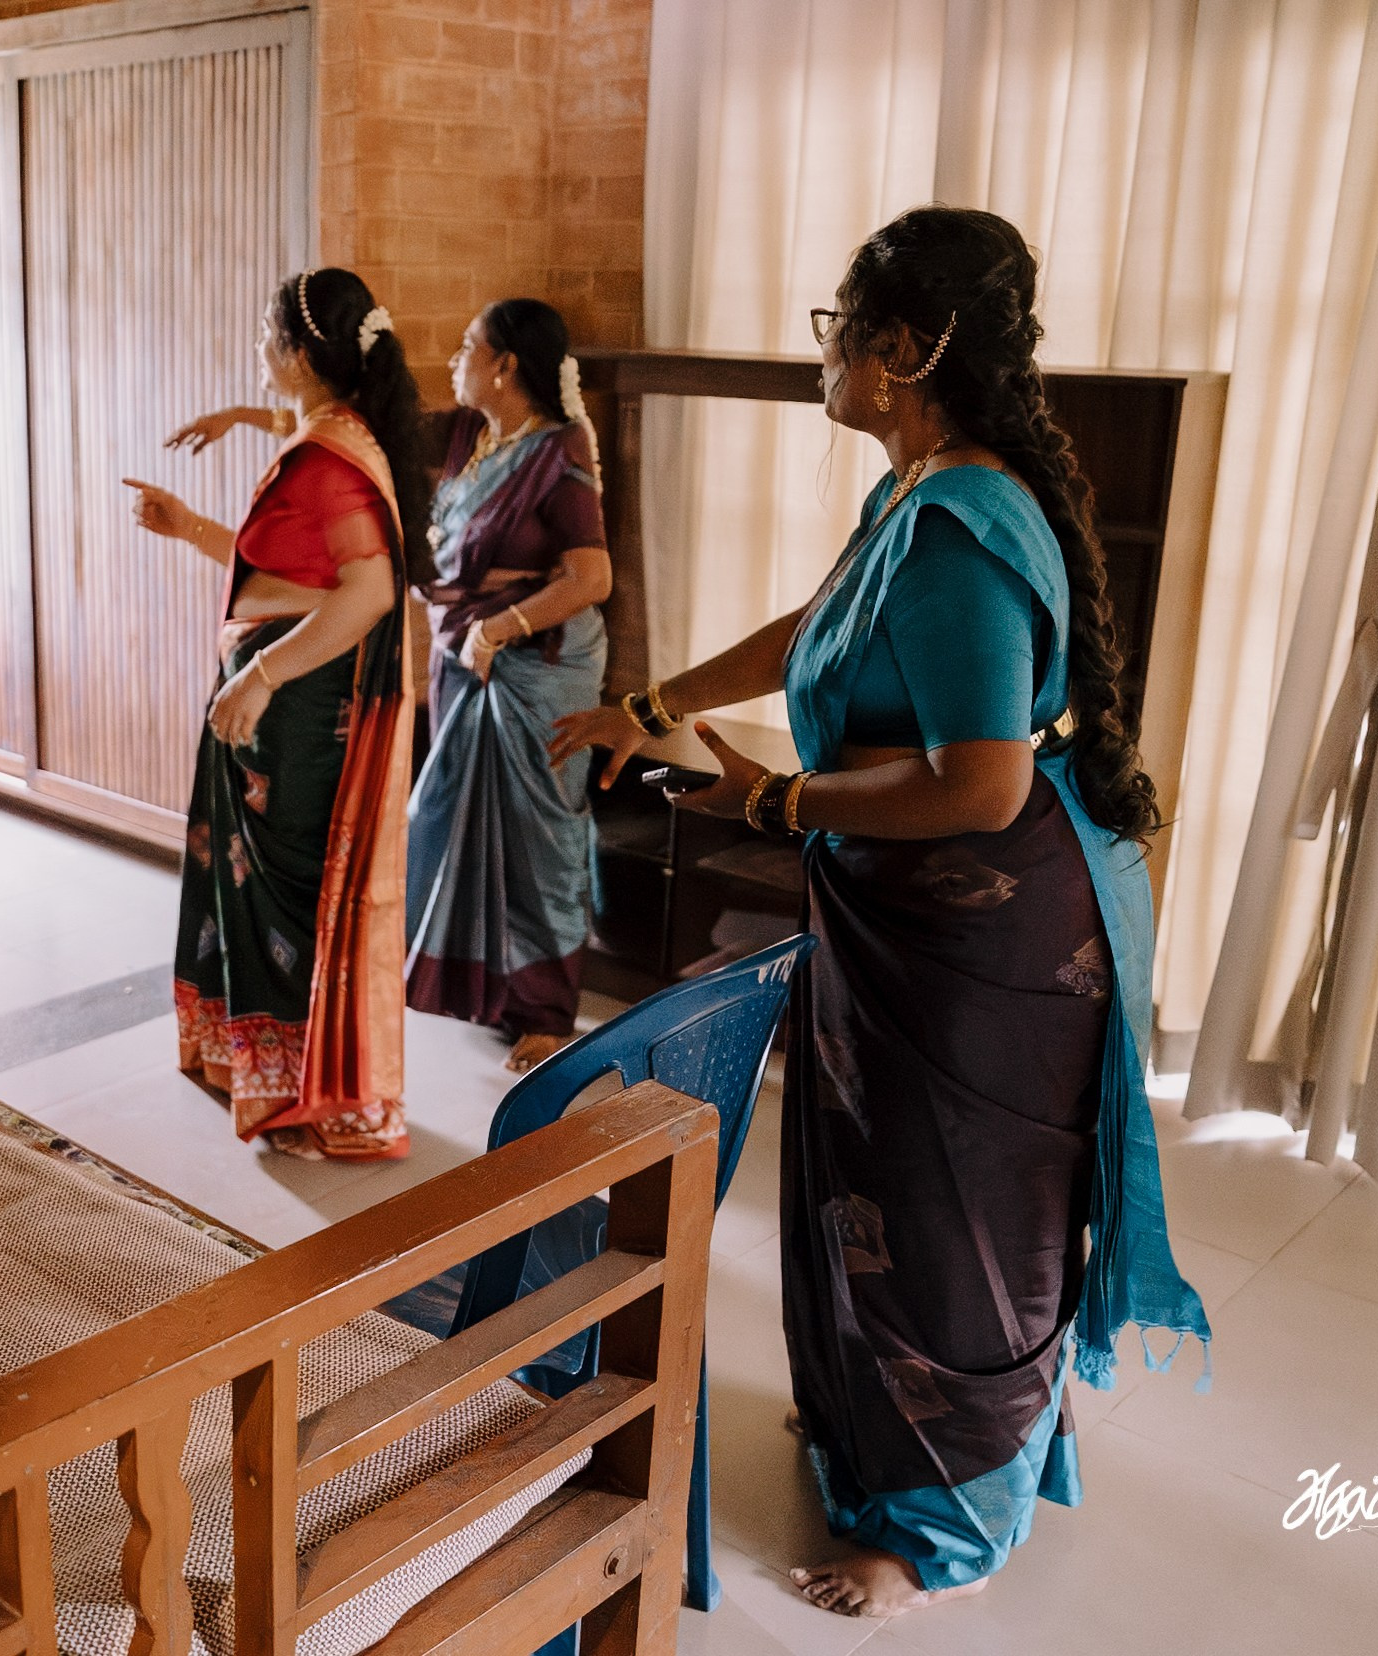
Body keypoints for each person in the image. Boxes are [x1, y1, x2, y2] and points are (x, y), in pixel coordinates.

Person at [551, 205, 1208, 1617]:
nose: (824, 359)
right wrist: (658, 704)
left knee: (946, 1209)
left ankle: (934, 1534)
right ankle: (890, 1435)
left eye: (833, 332)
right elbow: (815, 625)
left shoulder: (964, 529)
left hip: (977, 941)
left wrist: (781, 804)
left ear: (902, 351)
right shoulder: (914, 499)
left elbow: (975, 787)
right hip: (914, 920)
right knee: (885, 1196)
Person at [127, 267, 428, 1160]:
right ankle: (281, 1079)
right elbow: (291, 580)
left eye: (267, 341)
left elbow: (366, 591)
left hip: (296, 714)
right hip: (287, 704)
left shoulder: (328, 459)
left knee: (293, 900)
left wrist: (258, 680)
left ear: (298, 355)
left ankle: (311, 1097)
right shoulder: (337, 435)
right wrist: (188, 527)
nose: (259, 355)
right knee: (269, 894)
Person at [403, 299, 613, 1072]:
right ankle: (489, 986)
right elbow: (364, 428)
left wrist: (496, 629)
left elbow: (591, 578)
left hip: (533, 668)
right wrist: (248, 416)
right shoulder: (467, 434)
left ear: (504, 367)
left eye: (468, 346)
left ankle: (547, 1014)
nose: (455, 358)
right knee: (450, 819)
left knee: (536, 838)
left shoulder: (561, 454)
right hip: (465, 661)